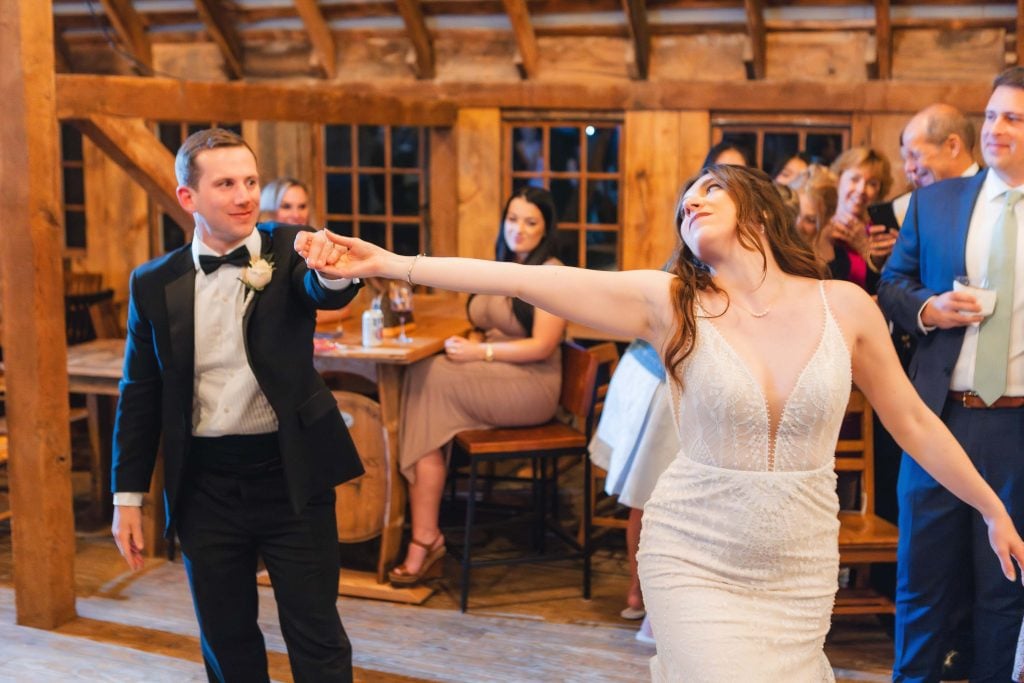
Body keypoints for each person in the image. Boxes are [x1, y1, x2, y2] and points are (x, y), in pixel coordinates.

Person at [303, 164, 1024, 681]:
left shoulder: (847, 307)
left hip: (797, 565)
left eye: (710, 189)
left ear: (762, 213)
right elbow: (521, 278)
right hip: (695, 550)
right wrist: (396, 260)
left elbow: (916, 425)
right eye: (685, 201)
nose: (692, 202)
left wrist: (992, 508)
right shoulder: (669, 301)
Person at [111, 128, 364, 682]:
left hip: (291, 476)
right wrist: (127, 497)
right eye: (225, 184)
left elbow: (328, 289)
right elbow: (140, 394)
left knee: (316, 635)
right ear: (188, 197)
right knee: (227, 644)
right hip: (205, 487)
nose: (245, 195)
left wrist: (331, 269)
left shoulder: (290, 249)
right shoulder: (153, 283)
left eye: (250, 181)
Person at [878, 67, 1024, 682]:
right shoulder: (935, 203)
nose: (996, 128)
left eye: (1013, 118)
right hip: (939, 418)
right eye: (991, 115)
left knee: (1005, 589)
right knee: (922, 584)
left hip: (1017, 429)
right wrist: (928, 309)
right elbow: (890, 286)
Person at [385, 187, 568, 586]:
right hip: (498, 371)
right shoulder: (503, 266)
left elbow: (543, 346)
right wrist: (475, 344)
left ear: (547, 229)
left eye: (530, 222)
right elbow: (487, 325)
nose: (518, 230)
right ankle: (423, 532)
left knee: (426, 379)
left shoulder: (550, 271)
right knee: (421, 375)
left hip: (533, 386)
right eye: (513, 219)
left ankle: (423, 535)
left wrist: (479, 353)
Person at [260, 177, 350, 328]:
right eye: (286, 206)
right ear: (269, 210)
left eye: (302, 206)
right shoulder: (259, 247)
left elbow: (343, 308)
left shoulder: (322, 245)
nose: (296, 214)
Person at [828, 147, 896, 292]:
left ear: (880, 191)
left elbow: (889, 288)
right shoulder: (819, 225)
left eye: (872, 183)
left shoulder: (882, 234)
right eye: (854, 179)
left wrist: (865, 247)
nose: (861, 190)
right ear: (839, 179)